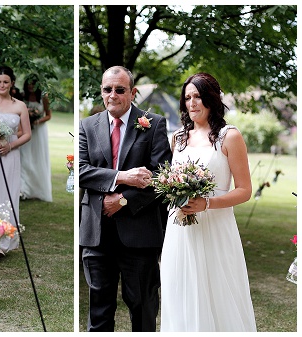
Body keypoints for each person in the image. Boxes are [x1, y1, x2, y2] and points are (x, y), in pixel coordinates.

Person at [160, 73, 255, 331]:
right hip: (179, 230)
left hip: (216, 230)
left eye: (198, 96)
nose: (192, 103)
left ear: (212, 99)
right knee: (179, 291)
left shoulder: (229, 136)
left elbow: (245, 190)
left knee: (218, 295)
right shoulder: (178, 138)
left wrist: (207, 204)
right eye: (188, 97)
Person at [79, 66, 171, 331]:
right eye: (107, 89)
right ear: (101, 91)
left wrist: (120, 200)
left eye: (120, 90)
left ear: (132, 92)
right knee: (99, 309)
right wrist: (123, 177)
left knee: (142, 306)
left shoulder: (153, 124)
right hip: (96, 232)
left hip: (139, 231)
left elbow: (159, 177)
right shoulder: (87, 126)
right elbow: (83, 172)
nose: (113, 95)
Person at [0, 66, 31, 255]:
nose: (2, 85)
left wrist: (10, 146)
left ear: (12, 83)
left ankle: (4, 241)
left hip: (10, 155)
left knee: (7, 194)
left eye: (6, 82)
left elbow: (27, 134)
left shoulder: (19, 106)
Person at [19, 74, 53, 202]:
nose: (31, 87)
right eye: (29, 84)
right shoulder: (22, 96)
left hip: (38, 131)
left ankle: (37, 190)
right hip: (25, 130)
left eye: (33, 84)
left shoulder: (43, 97)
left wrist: (37, 120)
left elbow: (49, 115)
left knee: (37, 158)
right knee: (25, 157)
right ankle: (24, 189)